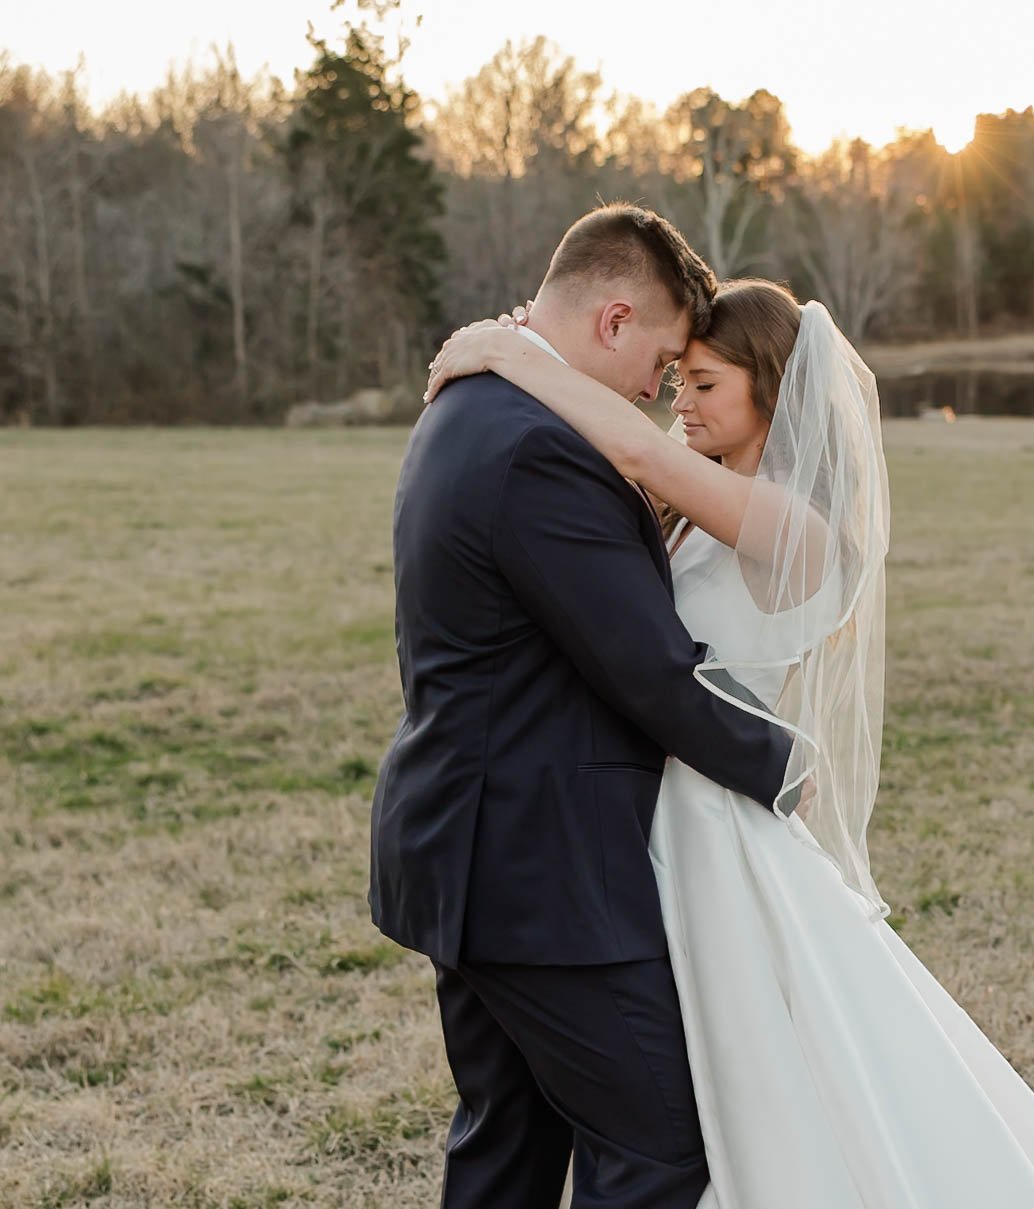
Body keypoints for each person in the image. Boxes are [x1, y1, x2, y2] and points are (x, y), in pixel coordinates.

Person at [423, 274, 1034, 1207]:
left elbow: (633, 447)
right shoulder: (699, 512)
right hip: (635, 810)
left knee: (723, 1094)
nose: (682, 401)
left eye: (706, 383)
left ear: (775, 388)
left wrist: (515, 351)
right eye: (681, 381)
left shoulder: (798, 529)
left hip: (708, 823)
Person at [369, 204, 801, 1209]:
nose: (660, 397)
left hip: (472, 851)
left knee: (508, 1148)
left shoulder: (472, 408)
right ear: (612, 321)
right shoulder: (536, 447)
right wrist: (783, 767)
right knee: (657, 1148)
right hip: (538, 877)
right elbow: (649, 670)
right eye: (660, 365)